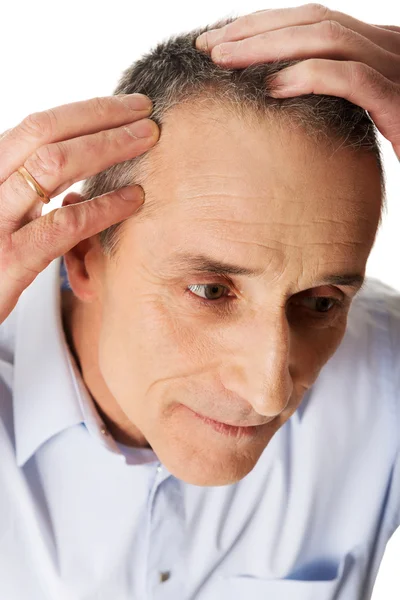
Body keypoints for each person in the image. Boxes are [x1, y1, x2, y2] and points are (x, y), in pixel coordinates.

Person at [0, 4, 399, 599]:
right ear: (83, 254)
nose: (269, 391)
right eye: (211, 291)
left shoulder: (385, 379)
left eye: (320, 302)